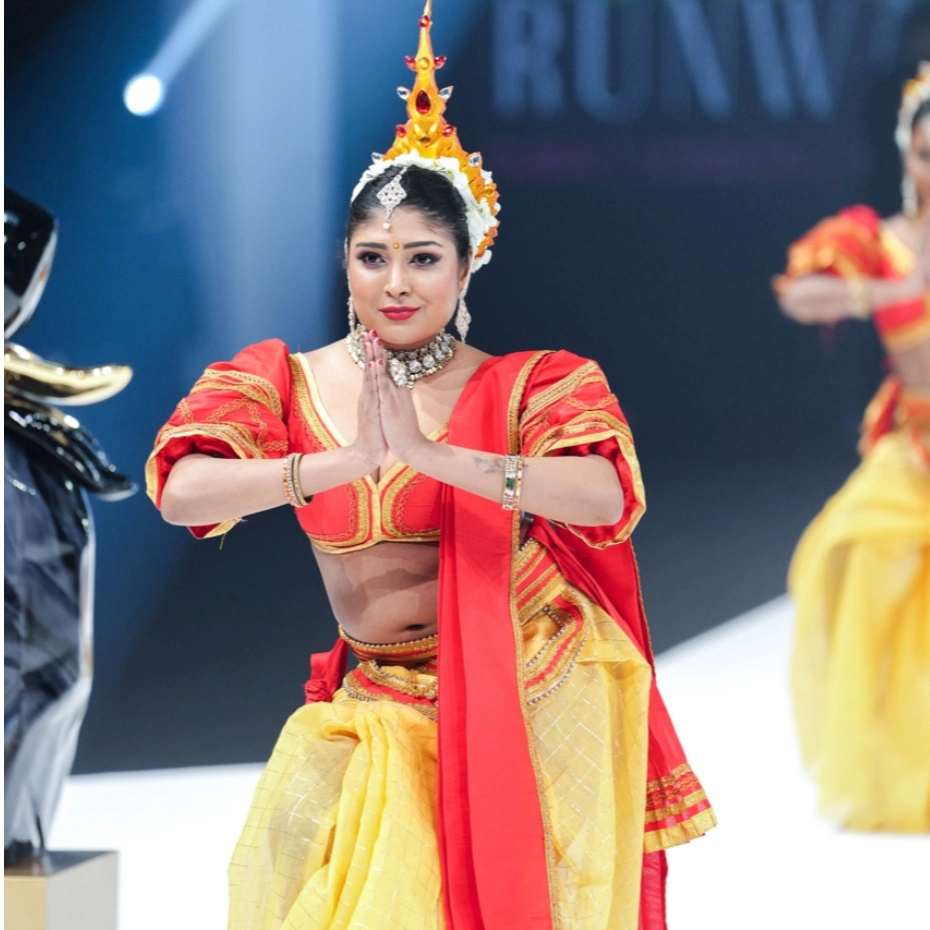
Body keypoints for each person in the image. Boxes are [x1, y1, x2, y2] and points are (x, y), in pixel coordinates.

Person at [147, 4, 715, 926]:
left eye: (422, 258)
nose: (396, 283)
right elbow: (180, 493)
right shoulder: (279, 382)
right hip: (373, 693)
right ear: (344, 263)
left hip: (527, 684)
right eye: (372, 258)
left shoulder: (533, 383)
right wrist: (339, 465)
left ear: (466, 266)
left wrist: (437, 456)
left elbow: (605, 492)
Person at [774, 63, 930, 833]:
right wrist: (878, 294)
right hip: (914, 444)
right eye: (927, 152)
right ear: (908, 156)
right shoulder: (882, 241)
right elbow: (799, 292)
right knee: (858, 563)